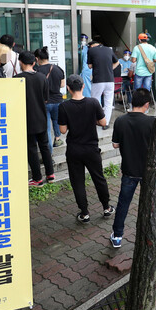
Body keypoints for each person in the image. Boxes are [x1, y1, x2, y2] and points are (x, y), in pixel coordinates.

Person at [58, 75, 114, 224]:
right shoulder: (93, 102)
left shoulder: (64, 106)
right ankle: (107, 208)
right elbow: (103, 122)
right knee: (99, 178)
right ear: (83, 86)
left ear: (68, 88)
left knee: (78, 182)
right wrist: (90, 120)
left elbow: (63, 130)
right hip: (91, 149)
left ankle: (84, 213)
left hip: (74, 150)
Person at [109, 88, 156, 247]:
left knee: (123, 203)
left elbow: (115, 144)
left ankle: (117, 236)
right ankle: (151, 234)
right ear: (147, 104)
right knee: (150, 203)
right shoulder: (152, 122)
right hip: (148, 172)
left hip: (129, 171)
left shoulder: (120, 121)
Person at [15, 51, 55, 187]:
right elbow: (45, 99)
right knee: (44, 147)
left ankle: (37, 178)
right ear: (34, 62)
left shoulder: (16, 79)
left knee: (31, 149)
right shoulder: (42, 77)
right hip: (42, 118)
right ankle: (50, 174)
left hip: (26, 120)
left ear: (20, 62)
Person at [34, 47, 66, 149]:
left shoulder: (36, 71)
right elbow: (62, 85)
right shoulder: (57, 69)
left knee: (47, 128)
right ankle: (57, 139)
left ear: (37, 59)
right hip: (57, 101)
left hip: (44, 102)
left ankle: (49, 153)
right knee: (56, 120)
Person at [88, 40, 119, 128]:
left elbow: (89, 66)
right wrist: (109, 69)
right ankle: (106, 123)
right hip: (110, 80)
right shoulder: (109, 50)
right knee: (108, 102)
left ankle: (96, 120)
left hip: (98, 80)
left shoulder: (91, 50)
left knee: (95, 101)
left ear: (91, 46)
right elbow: (117, 62)